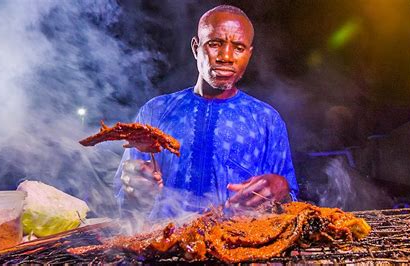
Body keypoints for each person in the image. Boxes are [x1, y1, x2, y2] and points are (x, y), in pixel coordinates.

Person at [115, 5, 298, 218]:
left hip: (238, 247)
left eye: (238, 48)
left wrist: (282, 187)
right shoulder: (155, 112)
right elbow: (124, 202)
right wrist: (133, 191)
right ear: (196, 47)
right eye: (214, 44)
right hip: (161, 244)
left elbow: (291, 206)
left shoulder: (267, 120)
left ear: (249, 54)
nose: (226, 57)